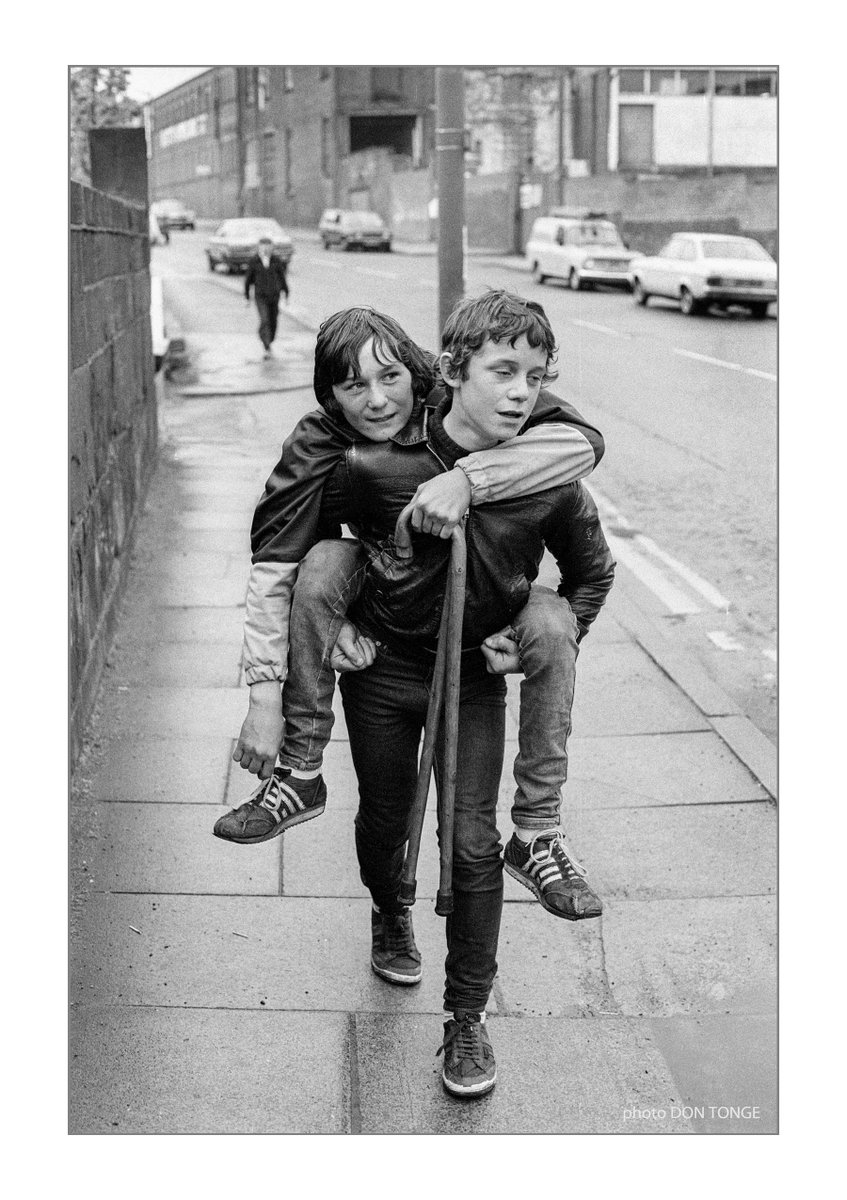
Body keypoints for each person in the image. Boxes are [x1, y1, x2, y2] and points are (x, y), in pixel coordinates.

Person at [218, 291, 615, 1096]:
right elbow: (300, 560)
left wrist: (538, 632)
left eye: (531, 376)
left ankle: (466, 1021)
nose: (517, 392)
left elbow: (591, 568)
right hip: (385, 674)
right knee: (384, 822)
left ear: (423, 375)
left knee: (470, 844)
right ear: (455, 372)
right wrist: (324, 637)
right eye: (501, 372)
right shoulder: (365, 467)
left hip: (471, 680)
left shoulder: (548, 469)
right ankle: (387, 906)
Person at [245, 235, 289, 358]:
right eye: (263, 247)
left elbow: (282, 278)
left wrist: (286, 292)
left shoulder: (276, 260)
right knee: (265, 320)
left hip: (274, 296)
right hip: (260, 297)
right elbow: (248, 280)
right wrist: (247, 296)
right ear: (259, 248)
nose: (266, 250)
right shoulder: (254, 261)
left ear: (272, 248)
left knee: (273, 321)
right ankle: (266, 346)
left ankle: (267, 337)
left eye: (268, 247)